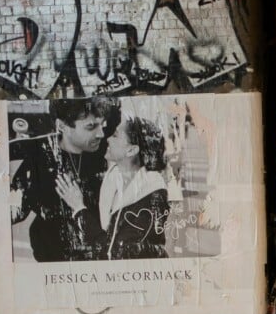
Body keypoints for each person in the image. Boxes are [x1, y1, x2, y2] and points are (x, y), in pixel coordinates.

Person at [9, 97, 119, 262]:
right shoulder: (40, 155)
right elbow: (16, 210)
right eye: (91, 127)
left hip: (99, 258)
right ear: (62, 127)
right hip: (52, 262)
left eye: (101, 125)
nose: (100, 134)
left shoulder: (108, 151)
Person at [59, 116, 171, 260]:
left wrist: (79, 209)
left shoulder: (153, 197)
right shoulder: (112, 178)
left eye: (116, 135)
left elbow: (117, 253)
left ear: (131, 150)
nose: (108, 139)